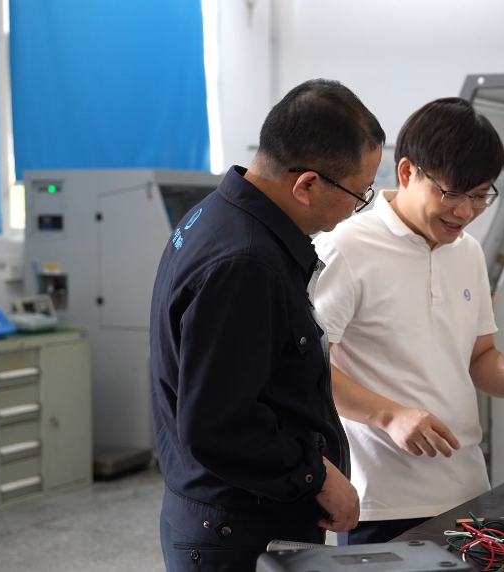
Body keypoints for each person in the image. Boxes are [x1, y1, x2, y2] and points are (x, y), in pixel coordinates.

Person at [149, 79, 385, 571]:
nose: (358, 206)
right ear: (307, 185)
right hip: (237, 531)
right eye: (359, 194)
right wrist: (316, 475)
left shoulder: (217, 216)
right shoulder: (246, 262)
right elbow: (218, 423)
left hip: (225, 513)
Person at [312, 97, 504, 545]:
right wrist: (390, 416)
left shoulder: (468, 252)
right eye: (453, 194)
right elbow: (307, 367)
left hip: (468, 494)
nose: (466, 212)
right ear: (407, 172)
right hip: (383, 500)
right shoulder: (347, 246)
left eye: (480, 196)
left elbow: (479, 355)